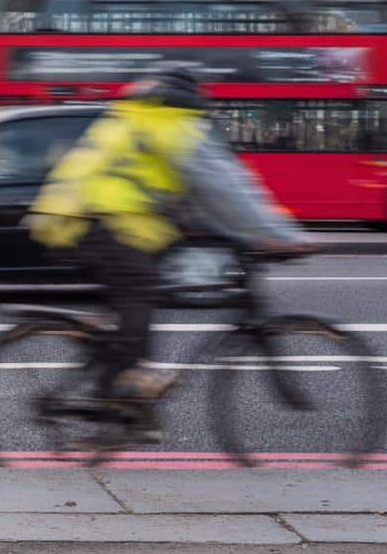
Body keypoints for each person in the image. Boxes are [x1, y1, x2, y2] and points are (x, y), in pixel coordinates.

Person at [25, 63, 314, 440]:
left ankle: (129, 411)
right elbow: (226, 188)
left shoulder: (139, 116)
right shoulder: (174, 125)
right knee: (139, 286)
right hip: (91, 220)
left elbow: (195, 194)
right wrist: (280, 235)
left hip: (79, 217)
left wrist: (224, 230)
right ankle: (121, 394)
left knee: (138, 299)